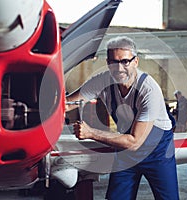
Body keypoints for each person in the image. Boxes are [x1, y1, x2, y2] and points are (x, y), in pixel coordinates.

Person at [66, 36, 179, 200]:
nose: (119, 68)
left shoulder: (148, 90)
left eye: (125, 61)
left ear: (136, 61)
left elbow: (134, 142)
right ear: (107, 62)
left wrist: (91, 133)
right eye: (113, 62)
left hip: (157, 152)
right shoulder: (102, 81)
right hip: (126, 151)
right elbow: (68, 104)